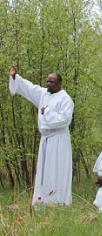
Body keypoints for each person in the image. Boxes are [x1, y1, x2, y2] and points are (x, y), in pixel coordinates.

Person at [8, 65, 74, 205]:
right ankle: (43, 201)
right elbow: (30, 88)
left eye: (52, 82)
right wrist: (15, 77)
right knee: (45, 172)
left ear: (59, 83)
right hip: (46, 140)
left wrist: (47, 113)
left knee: (57, 170)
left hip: (59, 140)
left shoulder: (66, 99)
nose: (48, 84)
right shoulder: (44, 94)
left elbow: (65, 120)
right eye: (48, 81)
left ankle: (58, 201)